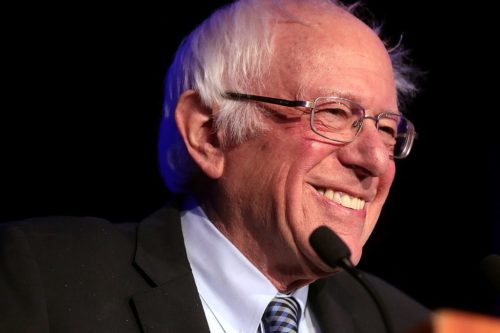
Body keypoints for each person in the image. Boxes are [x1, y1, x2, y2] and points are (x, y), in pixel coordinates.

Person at [0, 0, 430, 332]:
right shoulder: (42, 282)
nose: (375, 160)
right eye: (333, 113)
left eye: (389, 130)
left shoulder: (405, 323)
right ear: (208, 133)